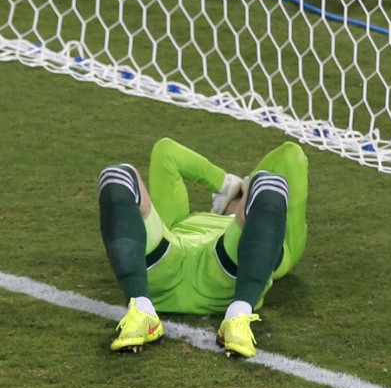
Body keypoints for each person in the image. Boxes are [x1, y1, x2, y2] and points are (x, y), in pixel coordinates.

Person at [98, 137, 308, 358]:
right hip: (165, 267)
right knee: (117, 176)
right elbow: (166, 151)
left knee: (269, 185)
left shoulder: (266, 240)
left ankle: (238, 317)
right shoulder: (179, 221)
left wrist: (246, 185)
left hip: (224, 272)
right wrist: (228, 185)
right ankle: (141, 309)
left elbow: (290, 156)